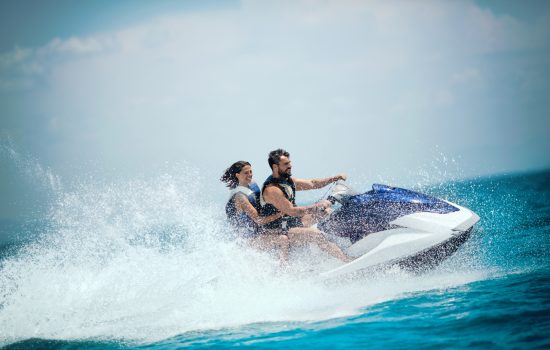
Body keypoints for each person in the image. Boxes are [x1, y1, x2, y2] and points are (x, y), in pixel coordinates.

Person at [260, 149, 351, 262]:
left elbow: (313, 183)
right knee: (316, 235)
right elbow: (292, 211)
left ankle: (346, 246)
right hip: (276, 230)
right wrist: (317, 206)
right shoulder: (272, 189)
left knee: (327, 212)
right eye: (286, 164)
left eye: (290, 162)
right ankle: (346, 260)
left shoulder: (288, 181)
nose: (290, 166)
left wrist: (335, 178)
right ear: (275, 167)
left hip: (291, 223)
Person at [221, 161, 290, 262]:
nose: (250, 175)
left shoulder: (253, 184)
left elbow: (264, 202)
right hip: (247, 241)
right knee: (283, 239)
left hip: (260, 231)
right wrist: (280, 213)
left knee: (289, 228)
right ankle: (282, 270)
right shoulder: (240, 196)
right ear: (237, 175)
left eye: (250, 171)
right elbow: (259, 220)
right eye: (246, 173)